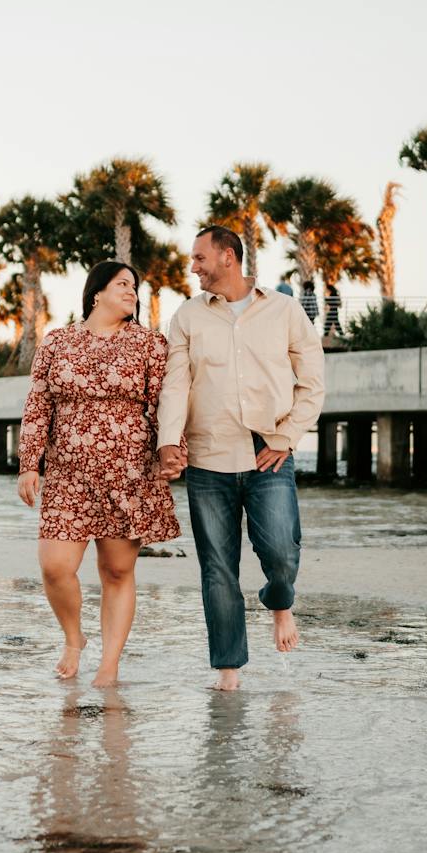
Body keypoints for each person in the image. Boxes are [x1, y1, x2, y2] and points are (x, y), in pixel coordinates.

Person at [156, 226, 325, 691]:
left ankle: (279, 600)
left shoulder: (284, 310)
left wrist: (288, 436)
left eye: (199, 257)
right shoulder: (187, 316)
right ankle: (228, 672)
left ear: (228, 257)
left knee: (282, 552)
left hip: (267, 450)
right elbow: (176, 382)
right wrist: (168, 438)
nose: (193, 267)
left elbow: (312, 382)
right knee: (217, 569)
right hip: (208, 455)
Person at [18, 261, 180, 687]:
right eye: (122, 284)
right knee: (55, 566)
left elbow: (165, 403)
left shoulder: (149, 344)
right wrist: (28, 465)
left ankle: (109, 665)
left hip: (127, 472)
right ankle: (74, 638)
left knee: (116, 571)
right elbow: (38, 406)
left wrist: (172, 451)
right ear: (96, 293)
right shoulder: (57, 342)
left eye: (134, 286)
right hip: (69, 475)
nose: (131, 291)